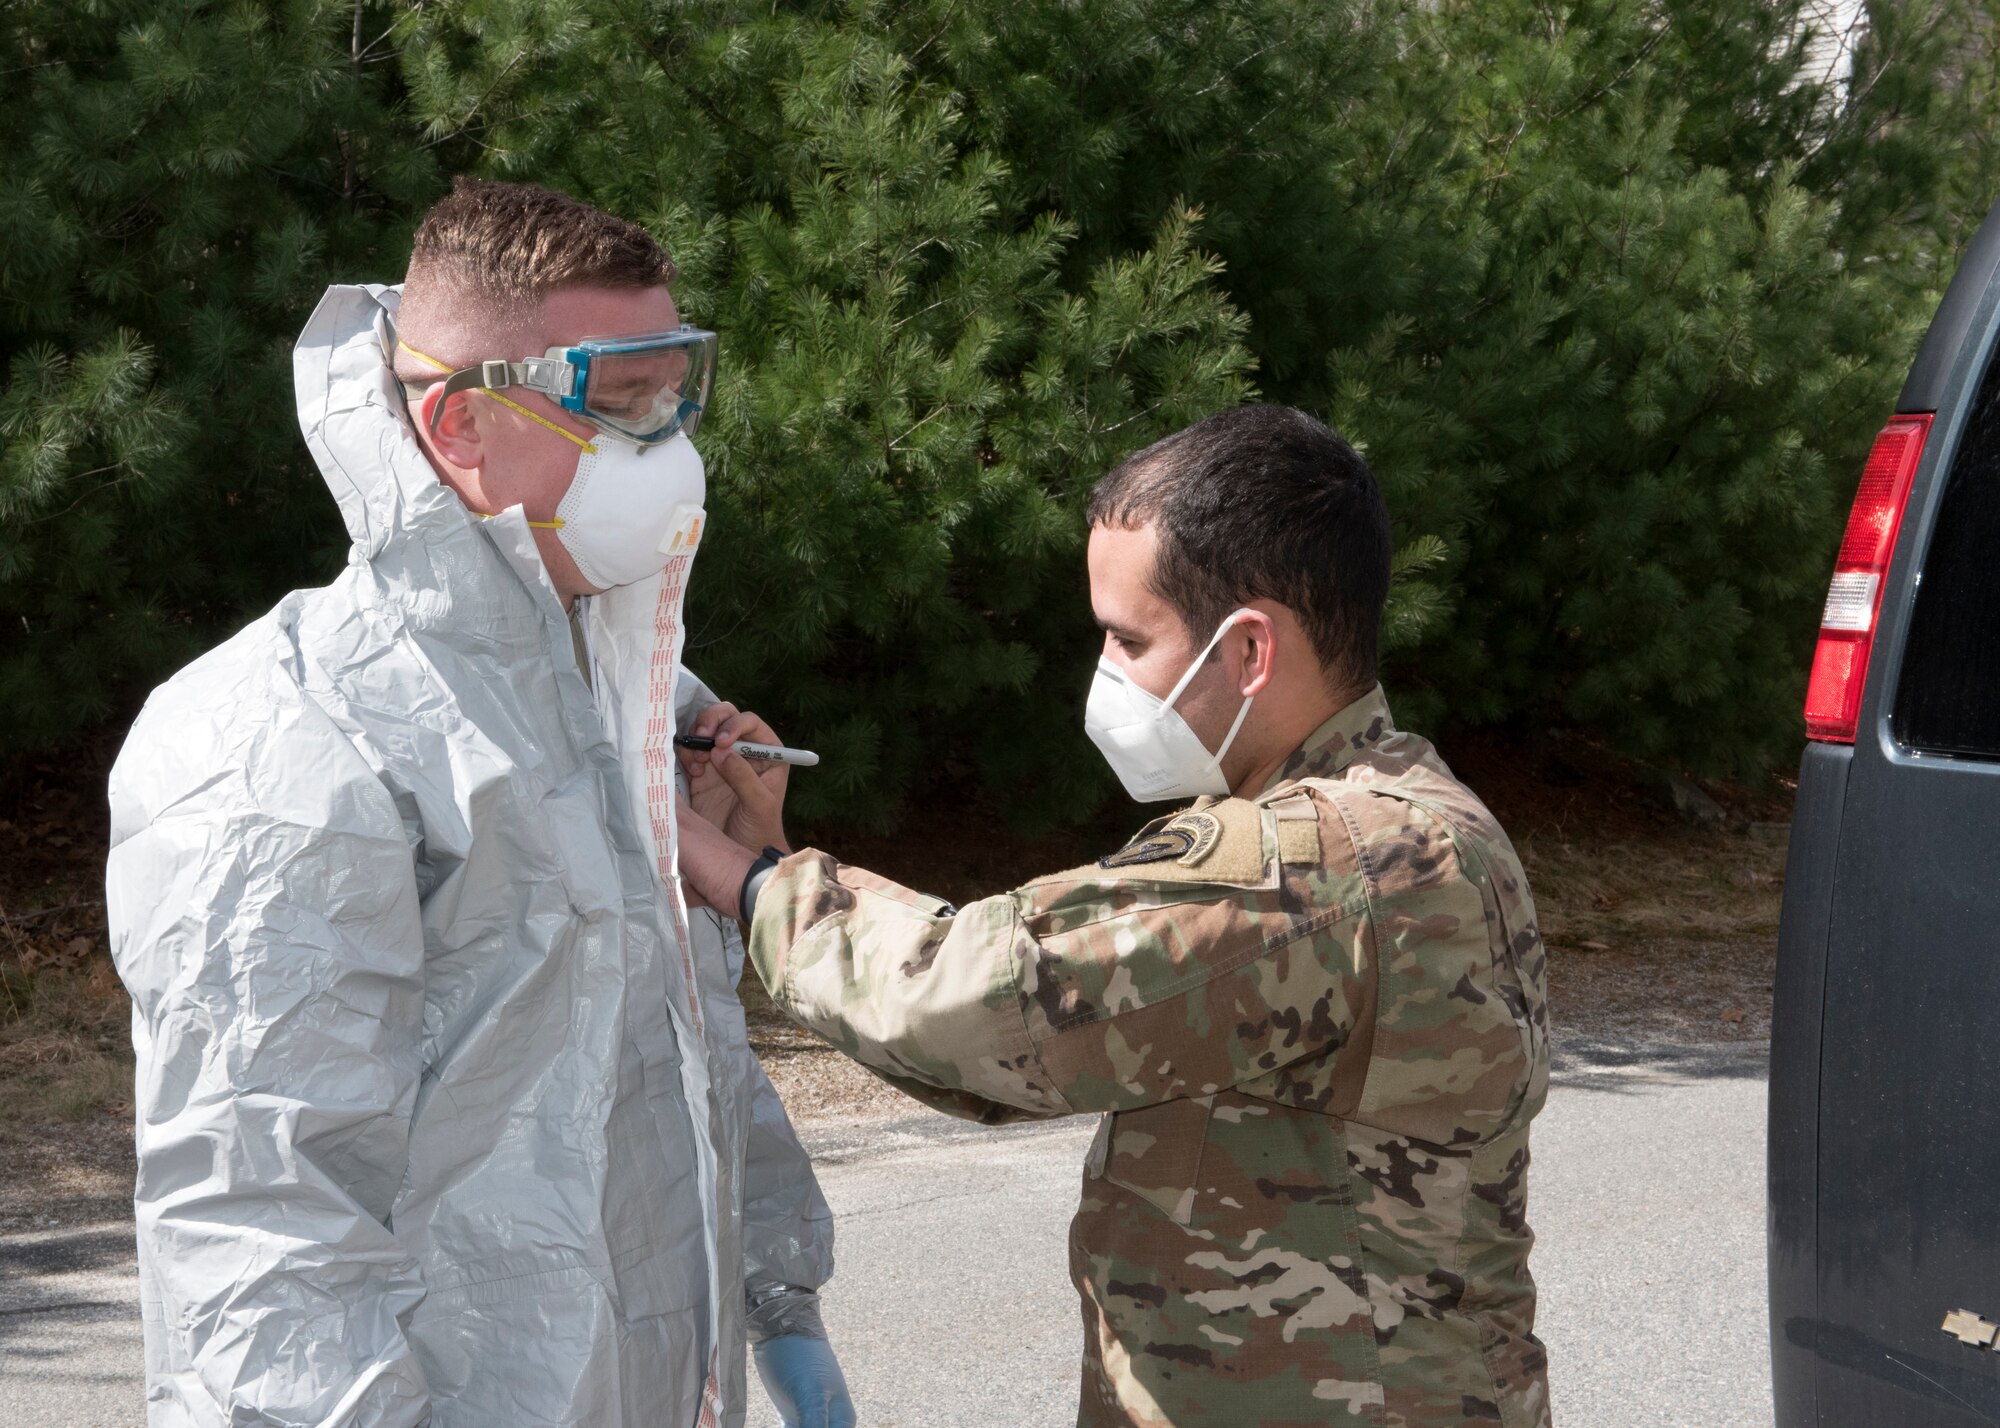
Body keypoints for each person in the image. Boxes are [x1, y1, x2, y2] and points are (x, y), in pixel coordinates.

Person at [105, 178, 853, 1428]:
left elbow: (686, 1053)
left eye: (674, 399)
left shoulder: (634, 693)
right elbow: (264, 1227)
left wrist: (781, 1294)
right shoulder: (283, 736)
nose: (666, 448)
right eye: (621, 407)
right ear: (457, 425)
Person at [675, 404, 1553, 1427]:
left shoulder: (1316, 868)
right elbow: (1017, 1058)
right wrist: (774, 859)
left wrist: (726, 868)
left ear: (1250, 651)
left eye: (1127, 638)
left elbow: (974, 1001)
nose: (1105, 673)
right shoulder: (1392, 815)